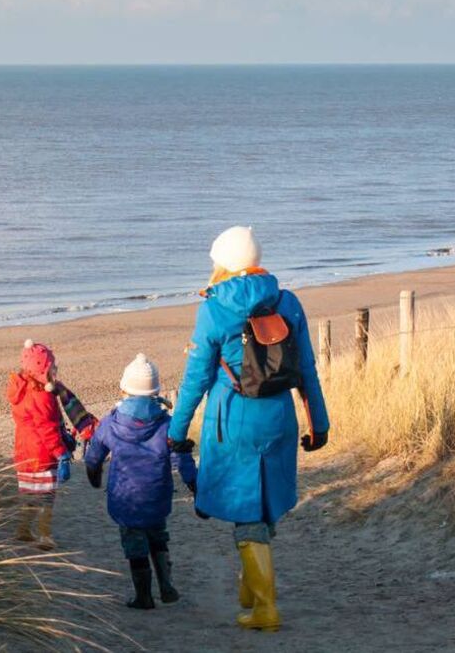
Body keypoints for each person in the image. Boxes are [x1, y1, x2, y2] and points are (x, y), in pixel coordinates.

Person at [168, 226, 330, 633]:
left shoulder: (213, 309)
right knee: (266, 500)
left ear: (223, 263)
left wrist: (177, 431)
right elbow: (307, 369)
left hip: (234, 422)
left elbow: (195, 380)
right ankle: (250, 589)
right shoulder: (287, 301)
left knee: (246, 512)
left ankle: (265, 607)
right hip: (279, 417)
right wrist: (320, 424)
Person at [85, 353, 198, 609]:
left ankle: (143, 596)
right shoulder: (167, 424)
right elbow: (181, 458)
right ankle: (167, 586)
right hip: (156, 496)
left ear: (124, 389)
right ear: (155, 391)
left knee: (135, 544)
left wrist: (94, 475)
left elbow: (94, 454)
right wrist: (194, 484)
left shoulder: (112, 422)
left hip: (126, 498)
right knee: (158, 537)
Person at [5, 339, 97, 550]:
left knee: (29, 495)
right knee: (46, 498)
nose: (55, 370)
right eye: (52, 367)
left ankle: (23, 530)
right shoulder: (42, 396)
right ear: (42, 370)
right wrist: (61, 454)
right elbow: (47, 430)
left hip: (23, 454)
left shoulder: (22, 389)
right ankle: (44, 536)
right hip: (42, 456)